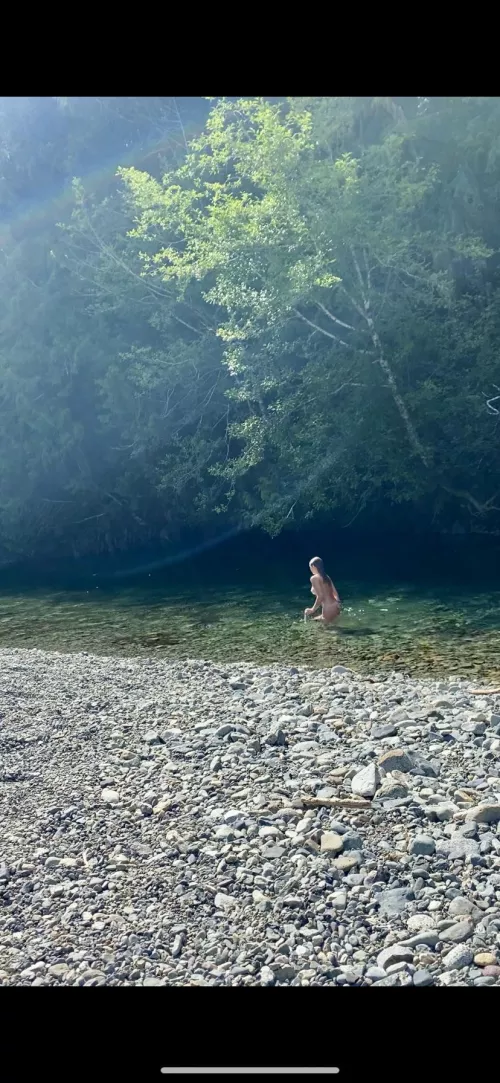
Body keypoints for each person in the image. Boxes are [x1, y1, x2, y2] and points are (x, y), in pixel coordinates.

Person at [304, 555, 341, 625]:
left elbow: (320, 596)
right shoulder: (326, 576)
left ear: (313, 567)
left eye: (310, 567)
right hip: (336, 605)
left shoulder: (314, 578)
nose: (310, 569)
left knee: (326, 632)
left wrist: (312, 609)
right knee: (316, 621)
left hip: (327, 608)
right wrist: (338, 603)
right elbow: (335, 593)